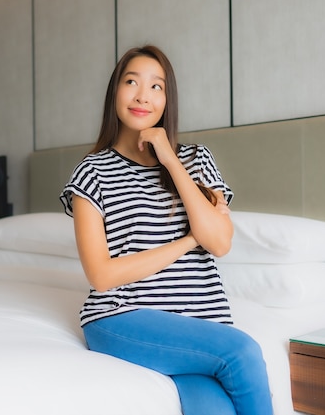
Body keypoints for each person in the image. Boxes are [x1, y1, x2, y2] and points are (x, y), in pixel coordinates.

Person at [59, 45, 274, 415]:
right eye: (131, 82)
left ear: (167, 99)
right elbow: (102, 275)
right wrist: (189, 240)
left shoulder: (196, 159)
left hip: (200, 324)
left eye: (156, 87)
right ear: (115, 92)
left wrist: (170, 159)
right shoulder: (92, 172)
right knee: (243, 351)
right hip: (121, 316)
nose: (143, 95)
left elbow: (220, 243)